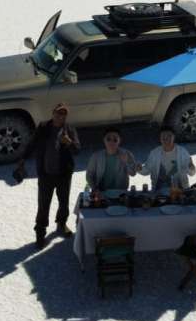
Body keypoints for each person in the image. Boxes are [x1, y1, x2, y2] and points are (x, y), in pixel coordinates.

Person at [13, 103, 80, 248]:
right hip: (45, 174)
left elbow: (77, 150)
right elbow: (32, 144)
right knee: (43, 205)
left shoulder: (69, 129)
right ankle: (40, 233)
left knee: (64, 202)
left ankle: (61, 224)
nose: (60, 116)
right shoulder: (43, 127)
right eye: (58, 113)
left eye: (63, 114)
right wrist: (22, 159)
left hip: (64, 174)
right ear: (52, 113)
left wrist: (68, 142)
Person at [140, 126, 196, 191]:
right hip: (159, 191)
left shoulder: (182, 152)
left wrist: (192, 168)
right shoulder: (154, 153)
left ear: (174, 137)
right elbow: (147, 170)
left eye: (169, 136)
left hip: (181, 190)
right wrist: (140, 169)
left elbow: (192, 173)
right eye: (163, 136)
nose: (166, 139)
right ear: (160, 138)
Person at [84, 127, 138, 193]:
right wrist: (95, 189)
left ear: (119, 141)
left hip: (120, 193)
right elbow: (89, 175)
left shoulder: (127, 154)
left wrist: (126, 162)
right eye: (108, 139)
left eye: (115, 139)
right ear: (104, 140)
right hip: (101, 192)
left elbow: (133, 173)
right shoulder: (96, 156)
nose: (111, 142)